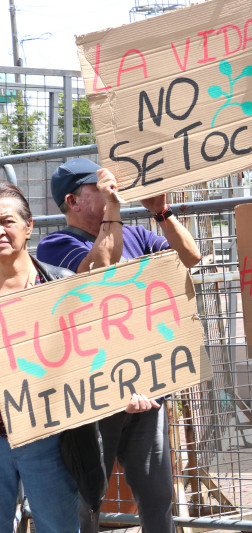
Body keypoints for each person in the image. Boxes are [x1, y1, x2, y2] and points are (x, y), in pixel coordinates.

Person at [36, 158, 202, 533]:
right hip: (95, 395)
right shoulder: (56, 244)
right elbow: (101, 272)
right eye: (100, 187)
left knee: (158, 496)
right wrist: (115, 208)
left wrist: (162, 213)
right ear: (73, 201)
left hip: (148, 386)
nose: (114, 191)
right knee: (88, 497)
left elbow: (190, 258)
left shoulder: (139, 236)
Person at [0, 182, 79, 532]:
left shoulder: (60, 285)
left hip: (46, 439)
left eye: (7, 221)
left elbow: (93, 357)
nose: (0, 232)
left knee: (58, 527)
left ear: (29, 226)